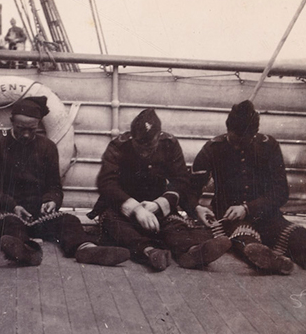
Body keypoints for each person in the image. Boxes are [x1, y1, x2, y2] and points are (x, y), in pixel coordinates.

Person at [0, 96, 130, 267]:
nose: (26, 134)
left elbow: (55, 186)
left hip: (38, 214)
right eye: (20, 128)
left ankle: (86, 249)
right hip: (6, 211)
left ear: (39, 125)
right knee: (9, 224)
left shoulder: (47, 147)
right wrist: (12, 206)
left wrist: (51, 200)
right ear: (11, 122)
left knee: (69, 221)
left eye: (32, 129)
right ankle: (24, 250)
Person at [89, 108, 231, 271]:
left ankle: (191, 253)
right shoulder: (119, 145)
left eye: (149, 146)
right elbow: (107, 182)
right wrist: (135, 209)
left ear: (159, 136)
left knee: (173, 225)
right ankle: (150, 252)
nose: (144, 152)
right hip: (121, 206)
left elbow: (181, 180)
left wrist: (159, 204)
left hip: (155, 204)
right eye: (139, 145)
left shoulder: (169, 144)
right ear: (132, 137)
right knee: (116, 225)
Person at [187, 100, 306, 274]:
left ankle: (283, 260)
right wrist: (197, 208)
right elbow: (191, 190)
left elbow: (281, 192)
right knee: (247, 240)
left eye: (243, 142)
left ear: (255, 134)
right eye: (234, 140)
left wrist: (248, 208)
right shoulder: (213, 149)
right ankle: (273, 261)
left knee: (300, 238)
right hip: (229, 218)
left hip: (267, 216)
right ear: (227, 129)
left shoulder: (269, 146)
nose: (238, 146)